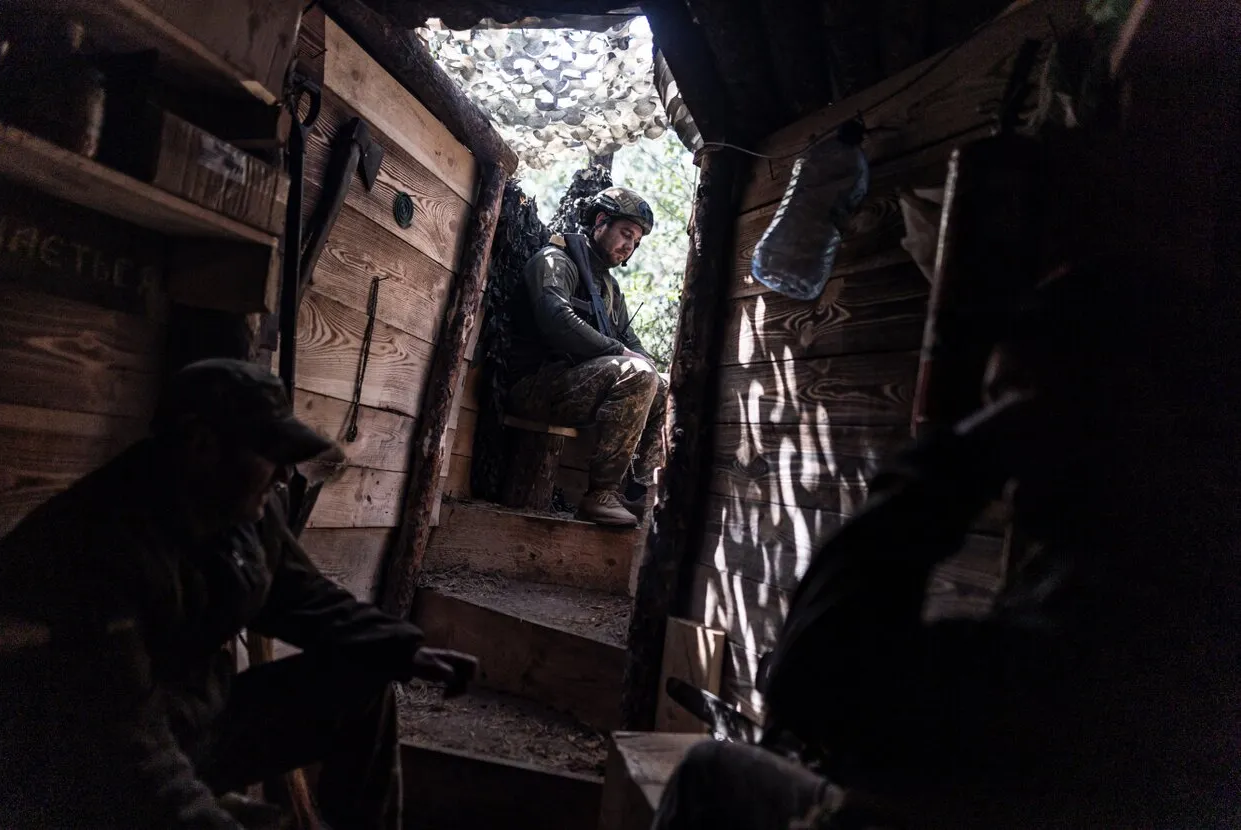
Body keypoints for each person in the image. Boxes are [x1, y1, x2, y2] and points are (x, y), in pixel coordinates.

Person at [652, 261, 1240, 829]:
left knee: (710, 774)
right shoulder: (1145, 567)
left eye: (1024, 417)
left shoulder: (1142, 613)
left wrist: (952, 463)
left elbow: (814, 675)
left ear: (1123, 413)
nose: (1014, 467)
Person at [0, 358, 478, 830]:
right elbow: (126, 747)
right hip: (78, 772)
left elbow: (296, 593)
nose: (285, 476)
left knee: (364, 679)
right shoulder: (95, 548)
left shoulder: (236, 510)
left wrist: (402, 646)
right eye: (270, 453)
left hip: (197, 722)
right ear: (203, 446)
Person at [507, 186, 668, 526]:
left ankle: (636, 493)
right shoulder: (556, 260)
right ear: (600, 222)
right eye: (626, 234)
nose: (630, 246)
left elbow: (632, 342)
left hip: (576, 385)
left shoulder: (610, 288)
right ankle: (600, 495)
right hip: (535, 385)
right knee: (637, 374)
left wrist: (648, 363)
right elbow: (555, 319)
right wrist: (621, 354)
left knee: (663, 386)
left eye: (636, 241)